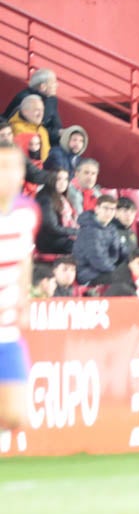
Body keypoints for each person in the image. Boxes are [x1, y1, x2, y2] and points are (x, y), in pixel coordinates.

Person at [0, 144, 32, 433]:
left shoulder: (27, 212)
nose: (8, 175)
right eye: (2, 167)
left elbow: (24, 257)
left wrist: (24, 297)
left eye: (14, 167)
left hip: (6, 330)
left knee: (15, 417)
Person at [71, 196, 124, 285]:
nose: (109, 212)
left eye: (112, 209)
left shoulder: (111, 228)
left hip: (106, 269)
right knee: (122, 279)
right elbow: (97, 260)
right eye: (106, 208)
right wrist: (117, 270)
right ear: (97, 209)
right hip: (89, 274)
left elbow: (121, 250)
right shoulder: (89, 231)